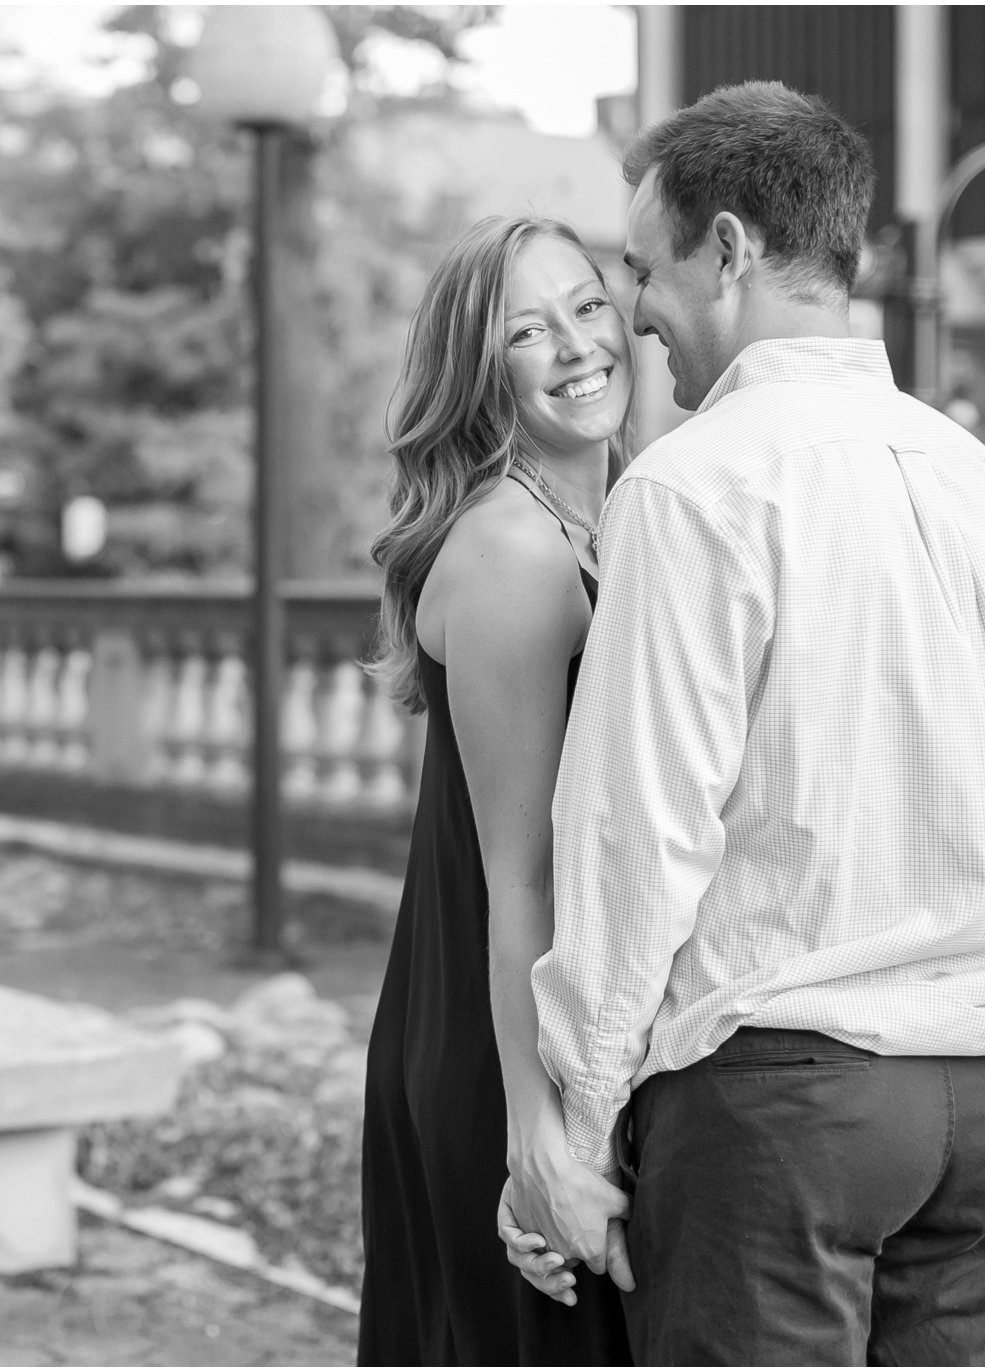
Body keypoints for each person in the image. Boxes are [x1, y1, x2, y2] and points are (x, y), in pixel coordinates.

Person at [530, 81, 985, 1365]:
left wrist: (581, 1119)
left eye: (643, 269)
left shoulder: (689, 488)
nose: (638, 312)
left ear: (726, 249)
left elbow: (634, 833)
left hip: (784, 1105)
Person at [357, 213, 637, 1367]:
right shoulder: (514, 550)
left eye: (584, 305)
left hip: (566, 1029)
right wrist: (536, 1133)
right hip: (503, 1045)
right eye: (528, 331)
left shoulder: (620, 513)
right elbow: (514, 874)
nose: (574, 346)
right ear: (482, 372)